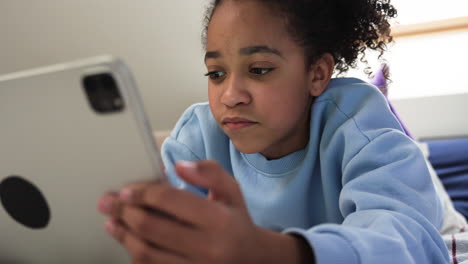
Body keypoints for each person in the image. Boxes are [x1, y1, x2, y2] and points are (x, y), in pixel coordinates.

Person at [98, 0, 450, 263]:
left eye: (260, 69)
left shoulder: (356, 120)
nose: (230, 96)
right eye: (216, 73)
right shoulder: (197, 138)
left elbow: (410, 240)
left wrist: (268, 251)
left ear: (317, 74)